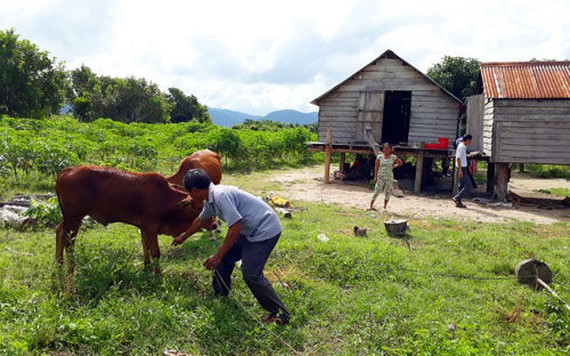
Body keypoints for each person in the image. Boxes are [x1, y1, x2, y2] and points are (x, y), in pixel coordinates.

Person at [172, 169, 290, 325]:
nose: (191, 197)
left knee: (251, 274)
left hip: (265, 229)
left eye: (190, 193)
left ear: (195, 190)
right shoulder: (210, 199)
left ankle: (279, 313)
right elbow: (200, 221)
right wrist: (183, 237)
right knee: (224, 258)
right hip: (248, 230)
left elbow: (235, 227)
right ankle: (220, 294)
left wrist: (217, 255)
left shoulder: (221, 196)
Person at [369, 143, 403, 211]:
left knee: (387, 192)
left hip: (389, 177)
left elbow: (400, 163)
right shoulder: (379, 157)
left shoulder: (393, 157)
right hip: (380, 176)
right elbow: (376, 167)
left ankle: (384, 207)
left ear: (390, 149)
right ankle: (371, 206)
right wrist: (375, 177)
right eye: (384, 148)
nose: (386, 150)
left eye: (387, 148)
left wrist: (394, 166)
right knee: (377, 191)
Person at [452, 134, 473, 208]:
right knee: (469, 185)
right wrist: (460, 170)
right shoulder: (462, 147)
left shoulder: (462, 145)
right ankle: (457, 197)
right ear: (467, 140)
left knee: (461, 185)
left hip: (462, 168)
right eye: (470, 141)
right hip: (461, 168)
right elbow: (458, 159)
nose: (470, 143)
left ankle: (458, 202)